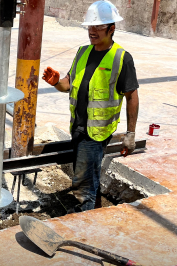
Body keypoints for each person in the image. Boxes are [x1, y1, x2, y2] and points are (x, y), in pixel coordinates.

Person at [41, 0, 139, 212]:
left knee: (83, 184)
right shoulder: (83, 52)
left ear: (111, 28)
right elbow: (69, 84)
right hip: (77, 126)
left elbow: (132, 96)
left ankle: (83, 221)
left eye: (98, 27)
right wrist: (57, 81)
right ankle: (93, 209)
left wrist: (130, 133)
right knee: (86, 175)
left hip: (96, 132)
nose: (92, 31)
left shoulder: (121, 58)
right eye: (90, 26)